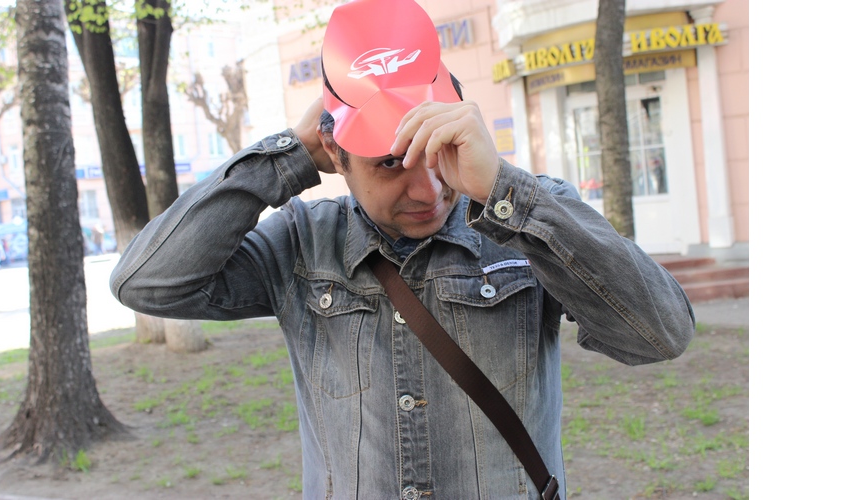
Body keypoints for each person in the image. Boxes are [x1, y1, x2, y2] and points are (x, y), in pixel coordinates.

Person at [110, 0, 695, 497]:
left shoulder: (533, 219)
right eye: (391, 164)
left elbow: (661, 335)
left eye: (440, 151)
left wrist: (506, 192)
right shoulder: (302, 243)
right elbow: (146, 282)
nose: (428, 189)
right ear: (335, 155)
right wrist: (287, 157)